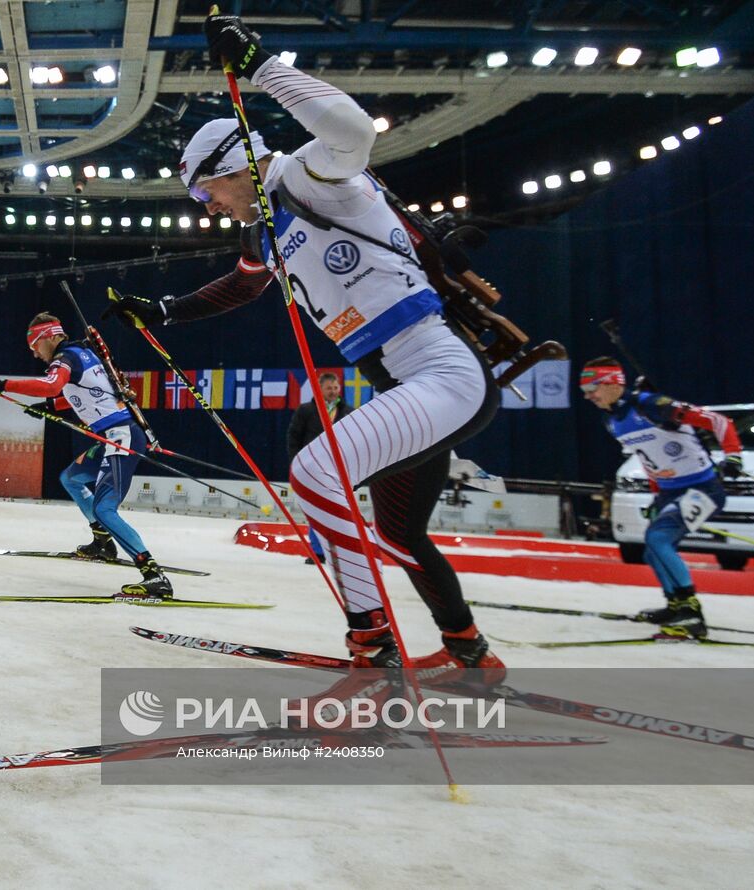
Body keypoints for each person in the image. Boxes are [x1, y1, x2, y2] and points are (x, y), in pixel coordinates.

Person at [106, 14, 502, 672]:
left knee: (317, 472)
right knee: (399, 535)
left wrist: (261, 65)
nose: (208, 205)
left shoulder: (310, 177)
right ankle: (469, 649)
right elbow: (241, 287)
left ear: (237, 167)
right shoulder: (262, 231)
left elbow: (352, 130)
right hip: (403, 386)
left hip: (442, 371)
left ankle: (370, 637)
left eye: (208, 190)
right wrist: (166, 313)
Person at [0, 314, 173, 599]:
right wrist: (45, 407)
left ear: (48, 337)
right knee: (71, 478)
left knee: (105, 509)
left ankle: (154, 575)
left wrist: (3, 384)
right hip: (110, 437)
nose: (34, 352)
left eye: (34, 345)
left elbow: (52, 386)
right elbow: (75, 395)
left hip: (121, 436)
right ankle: (103, 542)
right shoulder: (82, 354)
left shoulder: (66, 357)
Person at [581, 357, 743, 637]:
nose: (588, 396)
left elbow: (719, 421)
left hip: (703, 489)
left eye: (593, 388)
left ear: (612, 384)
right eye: (584, 391)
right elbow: (650, 461)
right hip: (671, 491)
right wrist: (657, 498)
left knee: (659, 539)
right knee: (652, 549)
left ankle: (692, 613)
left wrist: (733, 457)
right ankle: (675, 605)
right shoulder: (612, 421)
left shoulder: (653, 406)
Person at [288, 372, 351, 565]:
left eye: (335, 388)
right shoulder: (306, 410)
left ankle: (339, 551)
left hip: (338, 469)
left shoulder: (348, 411)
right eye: (328, 388)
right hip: (312, 467)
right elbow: (294, 437)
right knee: (315, 509)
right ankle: (318, 551)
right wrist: (295, 463)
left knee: (338, 510)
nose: (333, 392)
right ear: (320, 389)